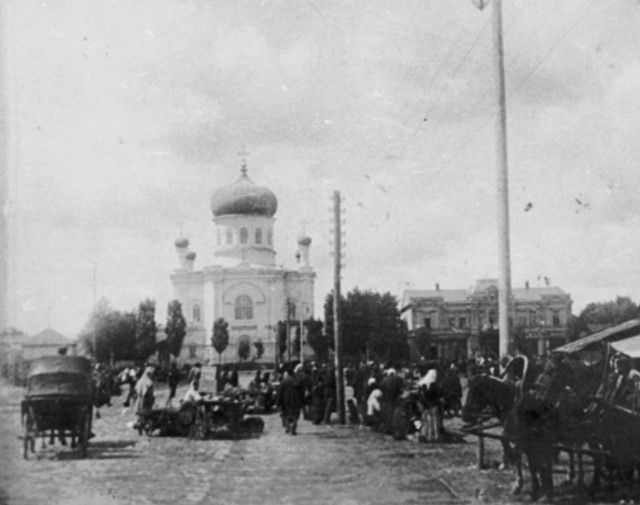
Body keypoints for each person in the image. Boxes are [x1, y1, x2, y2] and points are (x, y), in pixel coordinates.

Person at [278, 365, 305, 435]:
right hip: (296, 401)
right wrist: (302, 401)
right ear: (293, 373)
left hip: (286, 401)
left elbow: (280, 393)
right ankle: (293, 427)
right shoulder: (298, 381)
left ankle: (288, 427)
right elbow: (302, 392)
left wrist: (278, 402)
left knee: (286, 415)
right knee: (295, 415)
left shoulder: (283, 382)